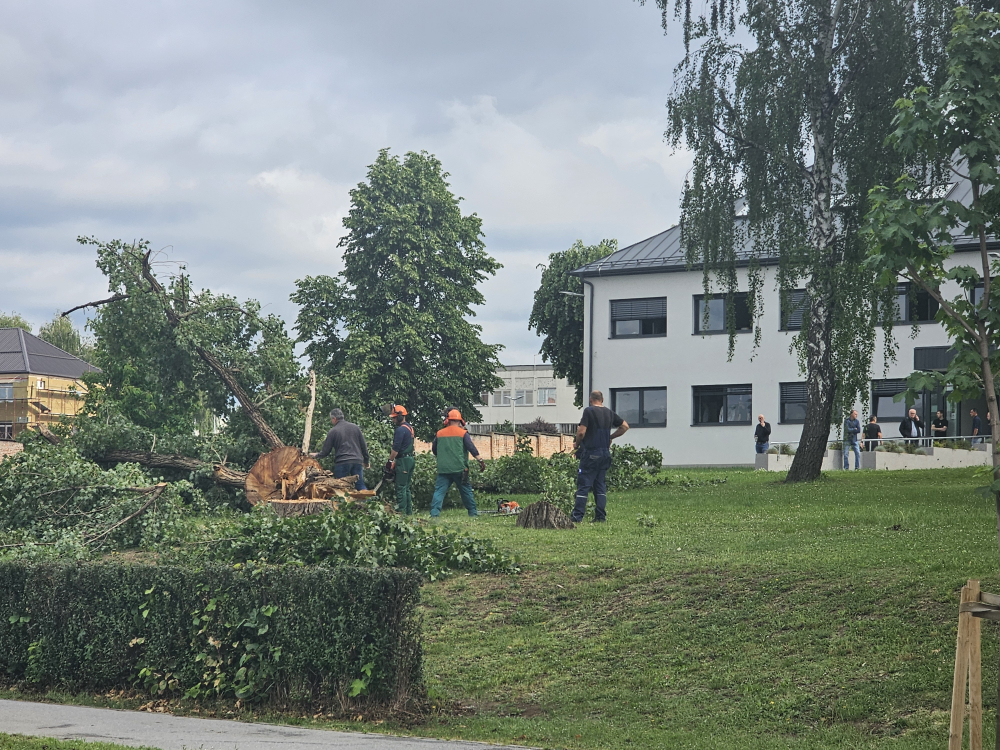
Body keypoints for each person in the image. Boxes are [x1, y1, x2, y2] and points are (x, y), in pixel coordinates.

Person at [572, 390, 629, 523]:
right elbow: (625, 426)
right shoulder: (609, 413)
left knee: (584, 485)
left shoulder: (589, 411)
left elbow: (581, 432)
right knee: (600, 486)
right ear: (602, 399)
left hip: (590, 454)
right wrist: (610, 437)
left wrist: (577, 444)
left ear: (590, 400)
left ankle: (577, 517)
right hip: (605, 455)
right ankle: (600, 517)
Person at [430, 409, 485, 517]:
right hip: (460, 469)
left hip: (443, 469)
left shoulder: (439, 433)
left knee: (439, 492)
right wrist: (481, 461)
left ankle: (434, 514)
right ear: (460, 421)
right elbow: (471, 448)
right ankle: (473, 513)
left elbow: (434, 449)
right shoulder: (463, 433)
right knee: (466, 491)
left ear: (447, 420)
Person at [310, 408, 370, 490]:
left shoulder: (333, 431)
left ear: (334, 418)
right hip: (357, 460)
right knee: (359, 484)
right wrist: (366, 461)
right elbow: (364, 446)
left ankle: (342, 502)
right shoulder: (356, 428)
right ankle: (366, 501)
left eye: (331, 419)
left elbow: (326, 451)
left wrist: (317, 455)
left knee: (340, 487)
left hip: (342, 462)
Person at [386, 405, 415, 515]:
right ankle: (408, 512)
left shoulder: (400, 430)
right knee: (406, 487)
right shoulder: (410, 428)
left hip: (403, 460)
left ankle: (401, 513)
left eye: (394, 417)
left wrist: (389, 462)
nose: (393, 420)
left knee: (400, 487)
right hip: (410, 459)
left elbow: (396, 449)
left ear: (399, 416)